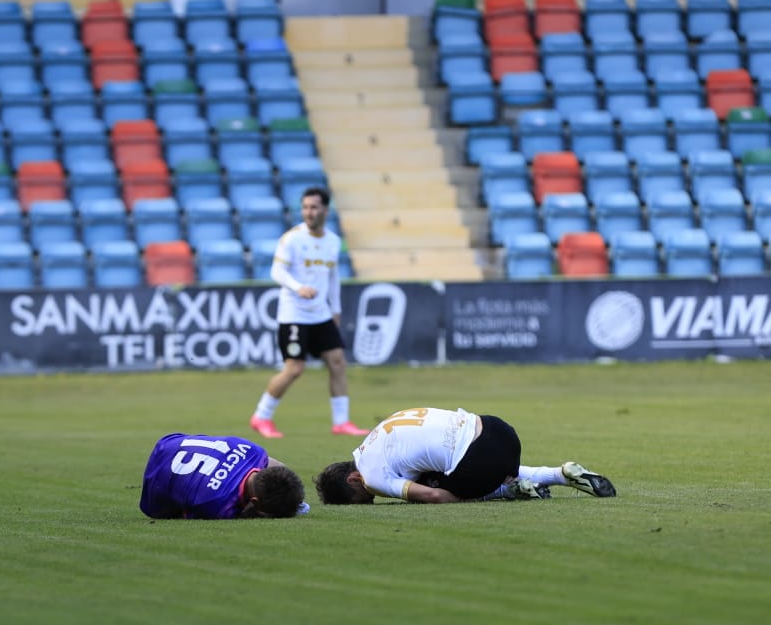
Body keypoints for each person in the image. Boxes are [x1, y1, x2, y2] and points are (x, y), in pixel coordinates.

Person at [249, 185, 369, 440]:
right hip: (294, 315)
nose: (309, 212)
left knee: (337, 362)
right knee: (294, 369)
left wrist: (335, 309)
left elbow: (333, 277)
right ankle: (261, 416)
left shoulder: (333, 241)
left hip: (320, 314)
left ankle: (341, 422)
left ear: (325, 210)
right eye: (305, 207)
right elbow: (277, 272)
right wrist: (298, 287)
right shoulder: (292, 238)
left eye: (314, 207)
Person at [314, 407, 618, 505]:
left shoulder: (372, 476)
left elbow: (435, 497)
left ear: (353, 478)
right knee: (429, 468)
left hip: (481, 461)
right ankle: (560, 474)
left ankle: (510, 490)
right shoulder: (377, 433)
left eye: (361, 498)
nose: (371, 499)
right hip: (498, 429)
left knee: (431, 485)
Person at [141, 433, 310, 519]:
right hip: (153, 488)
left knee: (272, 463)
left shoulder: (254, 451)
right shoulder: (219, 505)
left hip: (171, 441)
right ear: (254, 502)